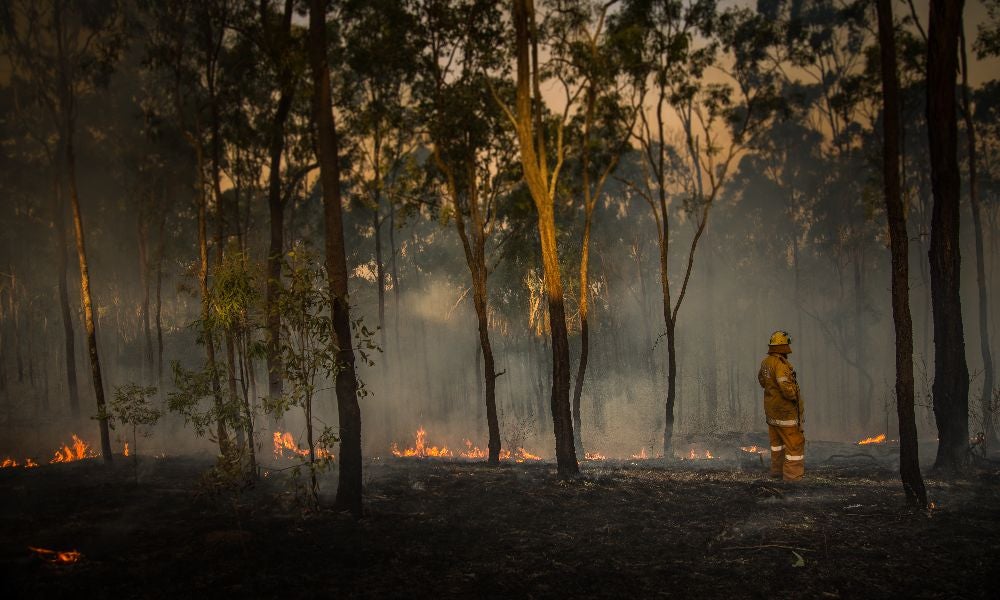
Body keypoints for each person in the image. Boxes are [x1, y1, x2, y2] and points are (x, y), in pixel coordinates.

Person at [757, 331, 804, 480]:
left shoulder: (766, 362)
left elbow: (762, 381)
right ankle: (793, 477)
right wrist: (794, 398)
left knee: (777, 445)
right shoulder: (780, 364)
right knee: (794, 445)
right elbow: (786, 387)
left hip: (772, 413)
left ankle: (777, 472)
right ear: (783, 346)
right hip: (785, 413)